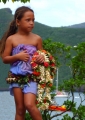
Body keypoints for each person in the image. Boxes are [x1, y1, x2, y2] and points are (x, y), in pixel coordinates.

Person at [0, 6, 44, 120]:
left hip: (31, 78)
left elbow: (42, 56)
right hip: (16, 78)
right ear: (18, 22)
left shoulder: (37, 39)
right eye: (28, 20)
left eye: (33, 20)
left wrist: (42, 58)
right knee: (20, 109)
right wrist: (17, 56)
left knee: (30, 105)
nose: (31, 23)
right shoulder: (12, 39)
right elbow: (5, 59)